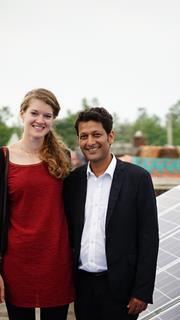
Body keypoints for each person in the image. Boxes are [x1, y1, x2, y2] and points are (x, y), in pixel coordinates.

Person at [0, 88, 74, 320]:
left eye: (48, 115)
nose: (40, 120)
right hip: (17, 264)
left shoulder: (63, 156)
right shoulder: (1, 159)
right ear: (22, 114)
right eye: (35, 113)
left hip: (57, 261)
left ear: (53, 120)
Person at [63, 107, 159, 320]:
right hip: (83, 288)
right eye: (84, 136)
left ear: (110, 136)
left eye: (97, 134)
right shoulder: (72, 182)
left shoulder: (138, 179)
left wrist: (142, 291)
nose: (90, 142)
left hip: (121, 290)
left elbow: (149, 238)